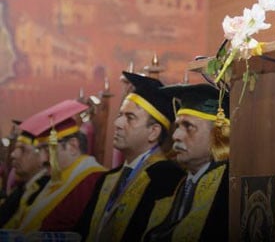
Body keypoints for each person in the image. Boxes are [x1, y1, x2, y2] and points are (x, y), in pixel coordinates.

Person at [78, 72, 184, 242]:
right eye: (120, 115)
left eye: (130, 118)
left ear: (153, 132)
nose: (117, 124)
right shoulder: (107, 179)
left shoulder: (167, 179)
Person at [144, 83, 229, 241]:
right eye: (177, 126)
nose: (176, 135)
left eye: (188, 126)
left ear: (218, 134)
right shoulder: (173, 184)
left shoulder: (228, 191)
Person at [10, 99, 106, 233]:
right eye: (40, 150)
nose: (43, 159)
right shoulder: (57, 178)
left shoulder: (92, 180)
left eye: (48, 149)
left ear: (73, 146)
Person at [0, 126, 49, 228]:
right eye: (15, 149)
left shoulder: (47, 192)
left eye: (22, 149)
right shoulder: (22, 190)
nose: (13, 155)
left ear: (43, 155)